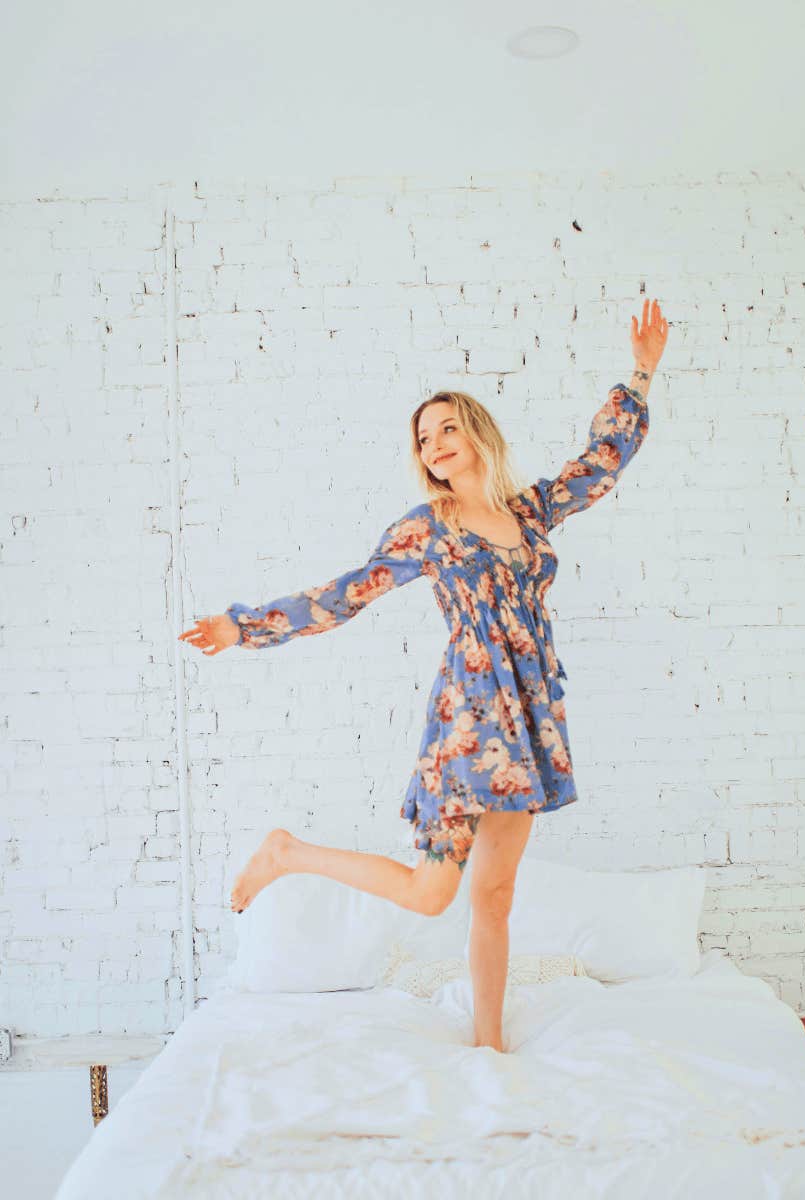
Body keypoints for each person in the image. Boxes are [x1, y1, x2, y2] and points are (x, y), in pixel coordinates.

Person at [179, 297, 668, 1051]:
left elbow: (601, 462)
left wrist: (640, 373)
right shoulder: (428, 528)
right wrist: (240, 627)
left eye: (446, 428)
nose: (434, 444)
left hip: (530, 716)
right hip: (470, 719)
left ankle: (488, 1042)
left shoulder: (529, 512)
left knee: (495, 894)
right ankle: (288, 854)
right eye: (423, 437)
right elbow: (346, 594)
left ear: (475, 433)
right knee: (431, 893)